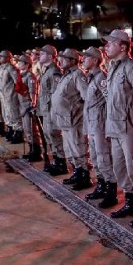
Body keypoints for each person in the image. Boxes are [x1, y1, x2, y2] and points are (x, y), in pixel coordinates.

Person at [102, 29, 133, 228]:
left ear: (123, 46)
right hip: (114, 126)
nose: (107, 46)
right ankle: (130, 202)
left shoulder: (132, 68)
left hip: (129, 127)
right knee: (120, 168)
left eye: (111, 43)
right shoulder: (113, 67)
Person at [51, 49, 92, 191]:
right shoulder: (66, 75)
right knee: (69, 149)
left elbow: (87, 97)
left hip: (74, 119)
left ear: (73, 61)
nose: (60, 60)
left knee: (78, 148)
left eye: (64, 58)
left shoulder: (78, 75)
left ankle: (84, 177)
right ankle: (76, 173)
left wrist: (76, 109)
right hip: (65, 119)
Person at [81, 47, 115, 203]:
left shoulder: (101, 78)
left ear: (95, 60)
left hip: (100, 125)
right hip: (92, 124)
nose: (83, 60)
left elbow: (110, 100)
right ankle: (101, 185)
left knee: (104, 158)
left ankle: (111, 191)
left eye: (86, 57)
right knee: (95, 157)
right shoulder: (90, 77)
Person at [37, 45, 67, 175]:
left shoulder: (54, 71)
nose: (39, 56)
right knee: (49, 135)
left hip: (52, 110)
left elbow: (56, 93)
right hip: (46, 108)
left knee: (55, 135)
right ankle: (56, 160)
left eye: (42, 54)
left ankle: (61, 163)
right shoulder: (47, 70)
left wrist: (54, 111)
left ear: (50, 56)